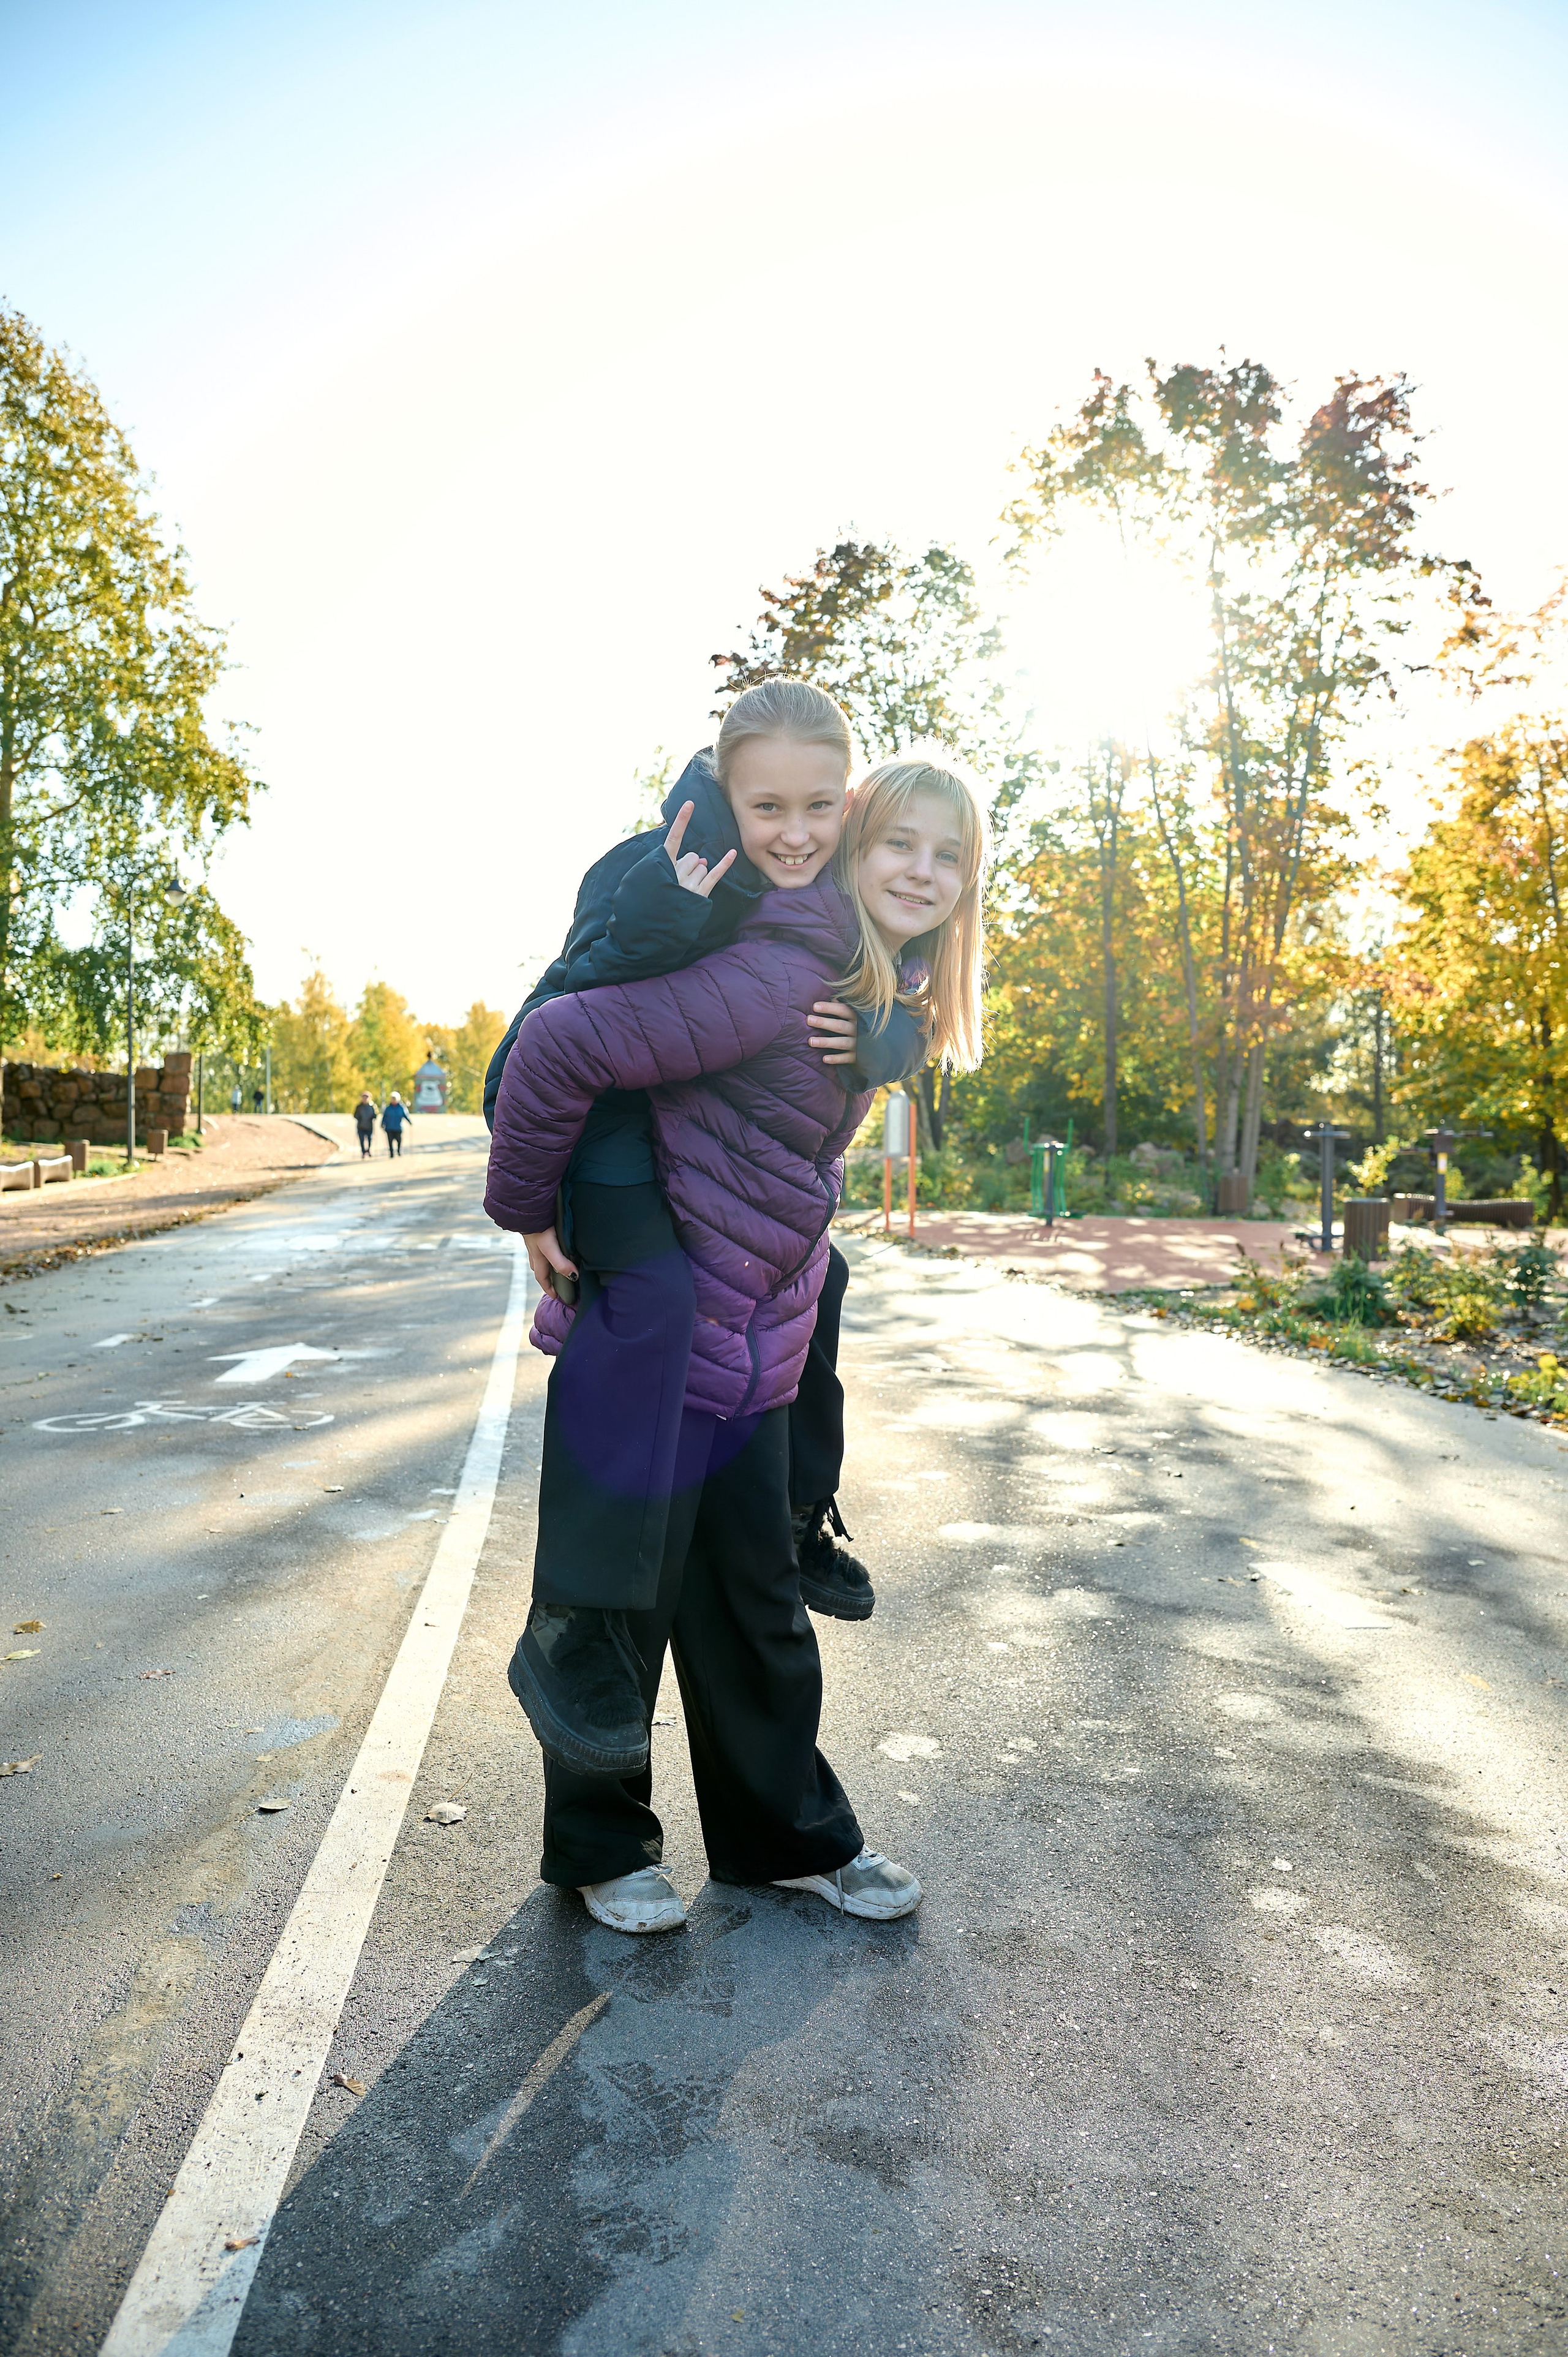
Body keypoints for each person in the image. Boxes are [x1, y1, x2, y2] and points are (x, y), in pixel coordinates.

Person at [485, 746, 987, 1933]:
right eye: (898, 844)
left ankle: (786, 1841)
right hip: (660, 1331)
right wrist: (528, 1215)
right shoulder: (779, 971)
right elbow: (562, 1047)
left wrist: (890, 1043)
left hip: (752, 1331)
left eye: (948, 854)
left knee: (755, 1603)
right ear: (853, 847)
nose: (921, 871)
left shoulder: (874, 984)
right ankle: (602, 1851)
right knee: (625, 1599)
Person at [482, 685, 928, 1714]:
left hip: (653, 1107)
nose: (797, 833)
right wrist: (531, 1205)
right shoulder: (681, 866)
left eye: (820, 807)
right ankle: (575, 1622)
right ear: (728, 792)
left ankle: (802, 1510)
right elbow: (565, 1018)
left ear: (849, 796)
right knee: (658, 1300)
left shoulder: (848, 875)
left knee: (826, 1272)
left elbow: (886, 987)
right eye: (767, 807)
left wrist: (886, 1040)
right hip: (583, 1119)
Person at [381, 1092, 410, 1156]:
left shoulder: (401, 1108)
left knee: (399, 1140)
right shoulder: (388, 1108)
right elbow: (385, 1117)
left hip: (398, 1127)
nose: (394, 1100)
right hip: (389, 1127)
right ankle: (391, 1153)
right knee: (390, 1141)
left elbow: (405, 1115)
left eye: (395, 1099)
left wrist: (409, 1121)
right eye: (392, 1099)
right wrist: (382, 1124)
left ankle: (399, 1151)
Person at [354, 1092, 378, 1158]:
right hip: (361, 1126)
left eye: (366, 1097)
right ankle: (363, 1152)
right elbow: (355, 1115)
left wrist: (374, 1117)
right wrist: (358, 1117)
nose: (365, 1099)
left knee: (370, 1139)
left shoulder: (373, 1106)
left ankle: (369, 1150)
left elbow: (376, 1115)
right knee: (362, 1140)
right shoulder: (359, 1107)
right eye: (364, 1097)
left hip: (369, 1126)